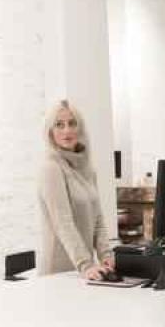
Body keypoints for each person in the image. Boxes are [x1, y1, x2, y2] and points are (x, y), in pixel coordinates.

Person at [38, 99, 114, 280]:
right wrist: (85, 265)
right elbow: (62, 222)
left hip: (85, 270)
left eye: (72, 123)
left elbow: (98, 219)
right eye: (59, 125)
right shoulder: (51, 168)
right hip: (60, 271)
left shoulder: (87, 170)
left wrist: (106, 256)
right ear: (50, 132)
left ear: (80, 129)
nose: (67, 130)